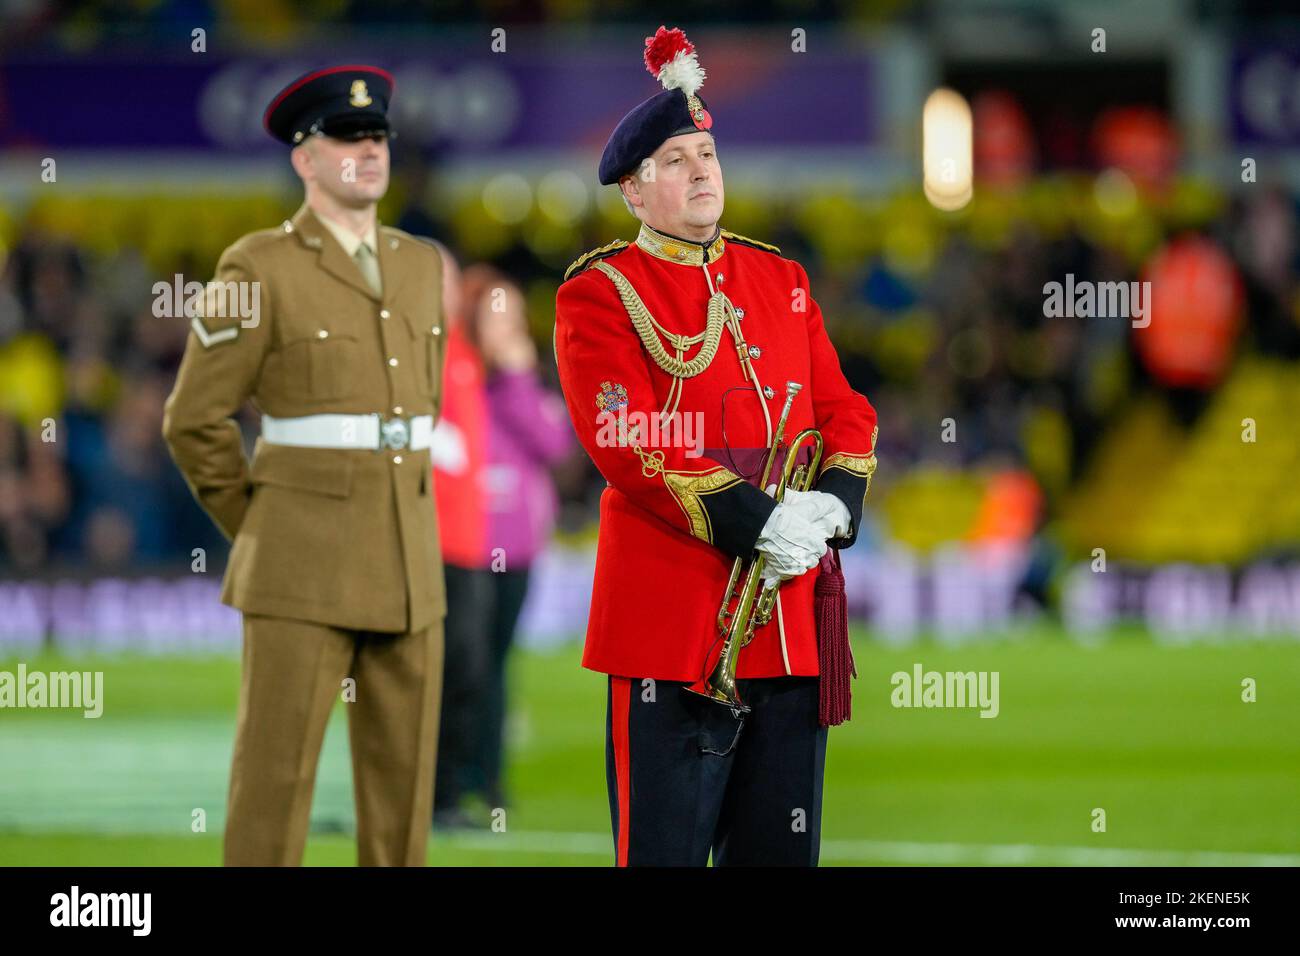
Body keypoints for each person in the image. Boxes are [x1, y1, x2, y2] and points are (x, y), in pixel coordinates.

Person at [553, 27, 879, 866]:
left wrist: (832, 507)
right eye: (674, 161)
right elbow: (625, 438)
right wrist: (757, 519)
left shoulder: (781, 279)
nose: (701, 171)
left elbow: (845, 409)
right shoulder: (599, 293)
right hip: (674, 625)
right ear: (632, 190)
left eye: (706, 152)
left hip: (791, 625)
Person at [162, 65, 448, 866]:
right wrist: (262, 526)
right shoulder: (254, 267)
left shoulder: (423, 265)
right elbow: (193, 419)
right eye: (346, 137)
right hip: (299, 568)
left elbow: (416, 417)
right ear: (304, 158)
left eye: (378, 136)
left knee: (402, 809)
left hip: (409, 566)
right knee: (273, 790)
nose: (368, 149)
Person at [460, 264, 575, 812]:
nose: (506, 325)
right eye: (494, 313)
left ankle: (487, 779)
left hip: (519, 549)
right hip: (466, 545)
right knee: (468, 662)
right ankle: (456, 779)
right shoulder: (457, 382)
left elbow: (556, 446)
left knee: (497, 662)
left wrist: (521, 378)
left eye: (512, 312)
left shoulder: (524, 383)